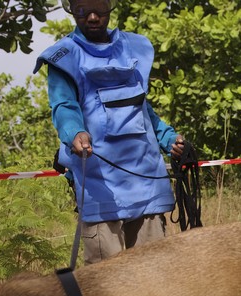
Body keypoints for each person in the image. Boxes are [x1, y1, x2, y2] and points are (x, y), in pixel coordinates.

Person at [35, 0, 186, 264]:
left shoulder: (132, 47)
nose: (92, 17)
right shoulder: (64, 56)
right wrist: (75, 133)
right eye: (83, 9)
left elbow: (142, 108)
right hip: (99, 187)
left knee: (156, 275)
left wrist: (168, 138)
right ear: (72, 9)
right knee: (104, 281)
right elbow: (63, 106)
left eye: (99, 7)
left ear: (110, 6)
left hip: (145, 182)